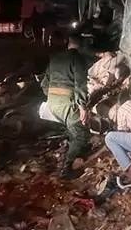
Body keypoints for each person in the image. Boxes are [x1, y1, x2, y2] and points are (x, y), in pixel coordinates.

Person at [39, 35, 92, 179]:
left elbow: (44, 84)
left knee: (72, 130)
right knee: (81, 134)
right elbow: (80, 84)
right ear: (81, 45)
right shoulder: (77, 59)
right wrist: (82, 106)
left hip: (53, 103)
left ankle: (74, 153)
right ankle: (66, 169)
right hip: (67, 103)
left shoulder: (55, 58)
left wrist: (53, 96)